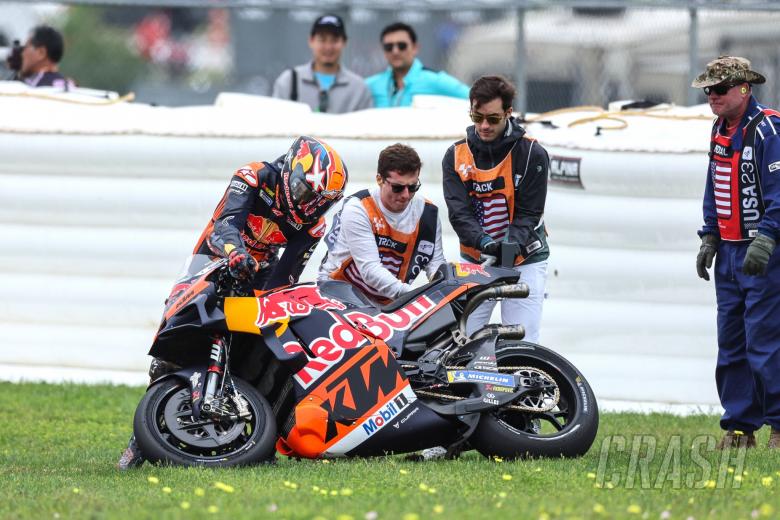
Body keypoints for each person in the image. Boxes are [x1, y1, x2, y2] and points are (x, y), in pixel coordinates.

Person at [118, 135, 349, 469]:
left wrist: (268, 299)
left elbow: (287, 274)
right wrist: (235, 253)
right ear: (291, 173)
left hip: (257, 274)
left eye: (320, 201)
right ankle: (142, 440)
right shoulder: (253, 176)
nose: (309, 205)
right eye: (306, 194)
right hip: (212, 259)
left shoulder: (312, 224)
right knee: (171, 351)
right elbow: (226, 223)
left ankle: (258, 442)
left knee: (256, 353)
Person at [693, 56, 780, 450]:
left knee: (764, 341)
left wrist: (767, 238)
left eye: (720, 89)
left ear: (744, 89)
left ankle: (779, 427)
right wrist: (709, 235)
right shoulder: (719, 128)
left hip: (762, 253)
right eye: (709, 90)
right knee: (731, 343)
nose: (713, 96)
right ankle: (741, 428)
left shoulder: (768, 130)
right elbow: (715, 183)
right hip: (728, 253)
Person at [442, 75, 550, 343]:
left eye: (492, 119)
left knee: (521, 341)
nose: (483, 126)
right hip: (476, 258)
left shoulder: (532, 154)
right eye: (476, 117)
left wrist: (507, 246)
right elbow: (459, 213)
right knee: (461, 340)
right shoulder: (455, 156)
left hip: (525, 259)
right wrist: (485, 243)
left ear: (508, 113)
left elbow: (529, 213)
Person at [319, 143, 446, 304]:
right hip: (336, 294)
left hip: (390, 302)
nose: (406, 195)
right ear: (379, 179)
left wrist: (444, 291)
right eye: (398, 188)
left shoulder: (428, 214)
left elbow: (436, 265)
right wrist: (418, 297)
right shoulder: (358, 208)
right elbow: (370, 271)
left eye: (413, 186)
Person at [272, 14, 372, 113]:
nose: (328, 47)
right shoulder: (289, 81)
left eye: (335, 40)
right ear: (311, 41)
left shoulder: (358, 88)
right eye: (322, 40)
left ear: (344, 42)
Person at [365, 22, 469, 108]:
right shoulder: (369, 85)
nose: (395, 51)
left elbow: (474, 99)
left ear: (415, 48)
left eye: (402, 46)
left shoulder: (435, 80)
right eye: (389, 47)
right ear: (384, 51)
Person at [6, 25, 74, 89]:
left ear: (41, 53)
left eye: (26, 47)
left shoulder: (29, 87)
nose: (22, 54)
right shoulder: (69, 86)